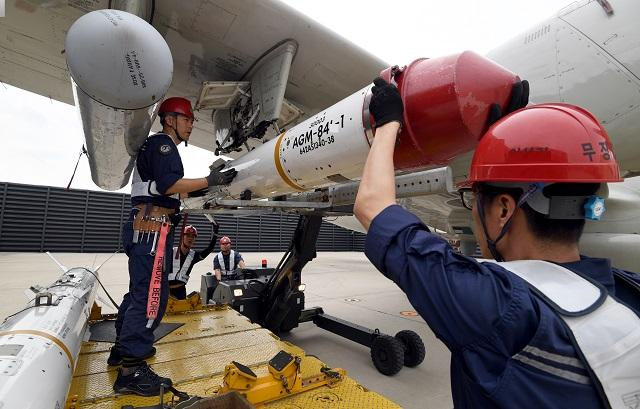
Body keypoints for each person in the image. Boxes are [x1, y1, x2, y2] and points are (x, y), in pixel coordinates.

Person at [354, 79, 640, 408]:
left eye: (472, 199)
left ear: (504, 209)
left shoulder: (493, 306)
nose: (472, 212)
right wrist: (506, 138)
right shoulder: (626, 290)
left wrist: (388, 122)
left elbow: (372, 206)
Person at [110, 97, 237, 397]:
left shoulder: (155, 148)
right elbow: (169, 185)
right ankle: (130, 371)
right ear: (170, 120)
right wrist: (210, 179)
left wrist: (186, 200)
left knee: (139, 291)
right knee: (153, 295)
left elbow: (159, 190)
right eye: (187, 119)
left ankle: (122, 350)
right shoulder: (164, 146)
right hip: (152, 231)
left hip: (147, 227)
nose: (192, 124)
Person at [169, 223, 219, 299]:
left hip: (180, 291)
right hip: (167, 290)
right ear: (182, 237)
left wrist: (215, 234)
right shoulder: (171, 252)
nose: (190, 238)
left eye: (193, 236)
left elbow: (209, 249)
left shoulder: (193, 256)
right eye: (188, 235)